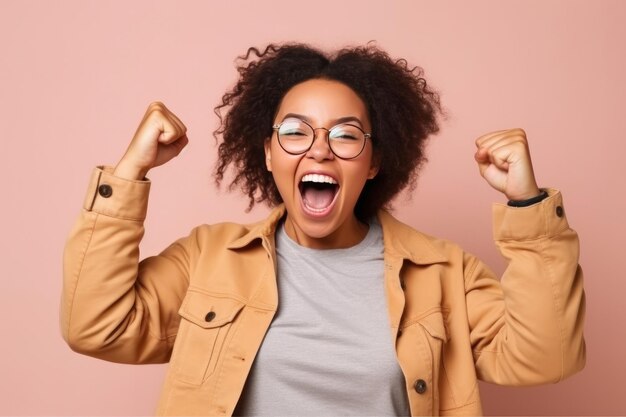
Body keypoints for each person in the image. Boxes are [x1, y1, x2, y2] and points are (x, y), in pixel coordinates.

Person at [61, 43, 586, 416]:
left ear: (375, 161)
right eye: (295, 132)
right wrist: (129, 174)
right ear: (267, 153)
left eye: (345, 134)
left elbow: (544, 358)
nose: (319, 149)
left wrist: (528, 202)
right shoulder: (207, 257)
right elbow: (96, 326)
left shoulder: (443, 271)